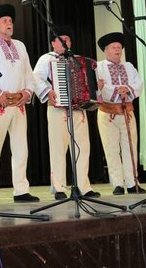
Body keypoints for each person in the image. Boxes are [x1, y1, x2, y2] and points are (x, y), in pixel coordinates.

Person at [0, 4, 39, 205]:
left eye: (10, 20)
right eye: (5, 20)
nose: (9, 23)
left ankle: (21, 190)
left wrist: (27, 92)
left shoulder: (20, 46)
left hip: (18, 104)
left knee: (21, 148)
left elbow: (29, 74)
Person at [33, 26, 101, 200]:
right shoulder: (46, 59)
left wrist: (96, 86)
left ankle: (83, 186)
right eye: (61, 39)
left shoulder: (79, 61)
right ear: (53, 43)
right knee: (58, 148)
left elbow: (90, 81)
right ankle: (59, 187)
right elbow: (36, 78)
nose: (65, 42)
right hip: (57, 108)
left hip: (79, 109)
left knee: (83, 147)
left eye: (68, 39)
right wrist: (48, 91)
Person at [96, 32, 146, 195]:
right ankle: (117, 183)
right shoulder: (99, 66)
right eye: (113, 47)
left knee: (130, 147)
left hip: (127, 112)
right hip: (108, 113)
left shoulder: (129, 66)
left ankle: (132, 182)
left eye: (119, 47)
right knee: (111, 149)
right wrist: (119, 90)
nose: (117, 50)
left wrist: (129, 90)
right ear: (106, 50)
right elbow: (100, 87)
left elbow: (138, 83)